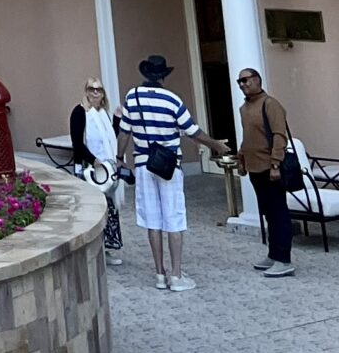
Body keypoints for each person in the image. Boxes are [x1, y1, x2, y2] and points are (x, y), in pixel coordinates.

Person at [118, 53, 221, 293]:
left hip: (143, 164)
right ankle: (176, 275)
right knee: (174, 218)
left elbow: (124, 133)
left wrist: (119, 158)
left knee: (152, 220)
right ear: (163, 76)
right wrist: (215, 144)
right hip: (169, 165)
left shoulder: (132, 97)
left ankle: (159, 273)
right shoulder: (172, 100)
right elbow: (193, 131)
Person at [235, 66, 297, 278]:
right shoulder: (244, 108)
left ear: (257, 79)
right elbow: (248, 137)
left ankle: (284, 259)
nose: (242, 84)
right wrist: (241, 160)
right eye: (239, 81)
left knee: (279, 213)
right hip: (254, 167)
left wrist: (275, 164)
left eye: (245, 80)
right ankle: (273, 254)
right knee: (268, 213)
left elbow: (279, 135)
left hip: (270, 168)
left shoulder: (270, 104)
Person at [68, 78, 125, 265]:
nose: (95, 92)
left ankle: (105, 250)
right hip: (88, 169)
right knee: (92, 210)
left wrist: (117, 118)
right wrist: (93, 160)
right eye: (91, 89)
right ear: (86, 91)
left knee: (108, 209)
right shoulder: (79, 112)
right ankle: (92, 251)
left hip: (105, 170)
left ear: (103, 93)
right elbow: (77, 142)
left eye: (98, 89)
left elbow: (110, 138)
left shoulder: (103, 114)